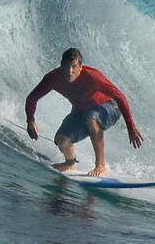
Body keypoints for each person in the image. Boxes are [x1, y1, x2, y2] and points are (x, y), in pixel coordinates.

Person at [25, 48, 143, 176]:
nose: (69, 71)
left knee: (91, 118)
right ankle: (70, 162)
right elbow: (32, 98)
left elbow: (120, 96)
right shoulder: (53, 78)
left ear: (80, 67)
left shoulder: (92, 77)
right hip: (81, 110)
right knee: (62, 139)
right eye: (66, 66)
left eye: (74, 67)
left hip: (110, 106)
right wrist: (30, 120)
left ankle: (101, 166)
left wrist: (131, 127)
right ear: (61, 65)